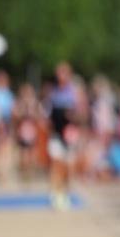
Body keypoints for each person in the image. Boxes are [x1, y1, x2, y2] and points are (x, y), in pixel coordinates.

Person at [45, 62, 78, 210]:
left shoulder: (74, 92)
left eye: (63, 73)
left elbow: (81, 114)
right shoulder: (52, 92)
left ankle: (64, 192)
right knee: (55, 163)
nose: (60, 76)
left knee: (67, 166)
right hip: (56, 134)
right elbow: (46, 115)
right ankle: (55, 193)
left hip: (69, 135)